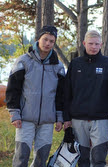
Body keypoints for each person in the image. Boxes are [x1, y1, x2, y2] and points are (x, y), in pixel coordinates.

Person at [5, 25, 65, 167]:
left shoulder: (58, 66)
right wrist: (15, 114)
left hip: (47, 120)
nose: (48, 43)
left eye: (51, 41)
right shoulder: (23, 61)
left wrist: (60, 117)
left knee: (41, 159)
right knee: (21, 157)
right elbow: (13, 89)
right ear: (38, 39)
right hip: (25, 118)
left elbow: (61, 95)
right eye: (45, 39)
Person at [63, 30, 108, 167]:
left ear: (101, 44)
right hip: (78, 120)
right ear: (84, 43)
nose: (93, 47)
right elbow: (67, 92)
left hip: (101, 120)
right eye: (90, 44)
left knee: (99, 159)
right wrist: (66, 118)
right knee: (82, 160)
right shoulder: (75, 64)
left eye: (96, 44)